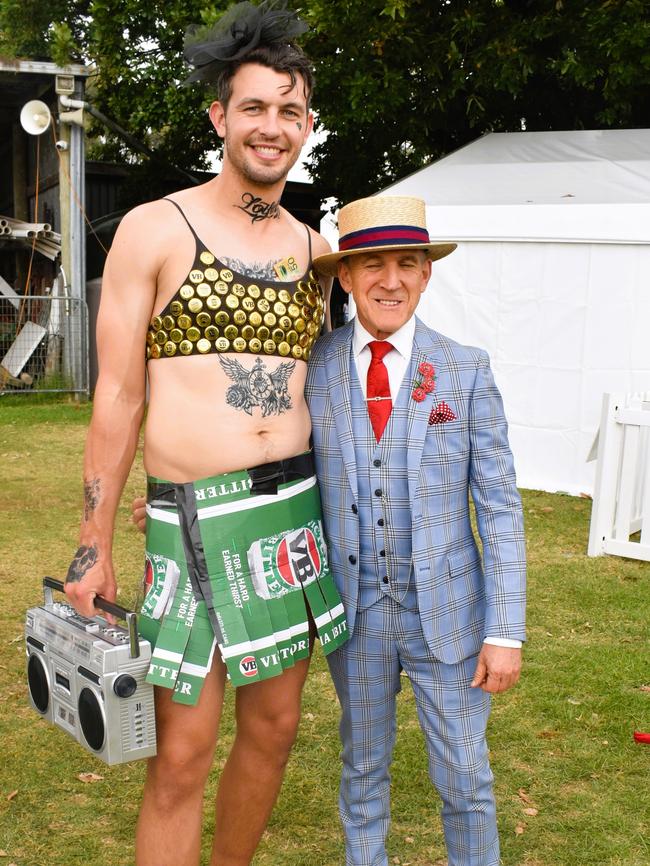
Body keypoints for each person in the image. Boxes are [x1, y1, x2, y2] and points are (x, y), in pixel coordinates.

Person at [63, 3, 348, 865]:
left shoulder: (315, 248)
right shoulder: (157, 228)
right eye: (254, 108)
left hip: (292, 519)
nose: (272, 127)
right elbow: (116, 394)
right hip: (191, 521)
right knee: (181, 753)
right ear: (220, 117)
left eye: (289, 112)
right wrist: (92, 542)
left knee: (276, 730)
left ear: (307, 126)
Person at [306, 195, 527, 866]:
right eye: (372, 263)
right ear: (346, 276)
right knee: (362, 769)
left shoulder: (464, 369)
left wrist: (505, 629)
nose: (391, 280)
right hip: (356, 612)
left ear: (427, 274)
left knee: (465, 777)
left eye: (407, 263)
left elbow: (500, 506)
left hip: (451, 618)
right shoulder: (313, 369)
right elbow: (274, 463)